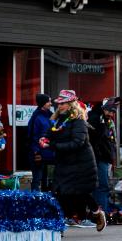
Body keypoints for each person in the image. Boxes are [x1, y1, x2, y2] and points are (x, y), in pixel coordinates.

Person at [43, 90, 106, 231]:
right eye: (59, 103)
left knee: (80, 192)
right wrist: (45, 139)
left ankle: (96, 213)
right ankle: (63, 221)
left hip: (80, 164)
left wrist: (52, 145)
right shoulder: (58, 120)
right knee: (62, 193)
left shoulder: (79, 121)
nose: (60, 106)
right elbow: (50, 133)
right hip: (64, 162)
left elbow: (77, 143)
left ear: (71, 104)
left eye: (63, 103)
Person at [88, 98, 117, 214]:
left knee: (101, 186)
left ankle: (100, 211)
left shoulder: (103, 120)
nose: (112, 114)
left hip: (102, 157)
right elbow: (98, 140)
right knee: (102, 185)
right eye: (111, 111)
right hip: (100, 157)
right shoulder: (98, 120)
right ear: (104, 109)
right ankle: (101, 212)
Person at [27, 93, 55, 191]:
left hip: (48, 153)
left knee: (46, 179)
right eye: (49, 101)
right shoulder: (36, 117)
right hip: (38, 153)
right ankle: (35, 200)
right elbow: (32, 136)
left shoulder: (50, 115)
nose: (51, 104)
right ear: (43, 103)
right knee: (37, 178)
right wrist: (36, 152)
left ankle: (45, 200)